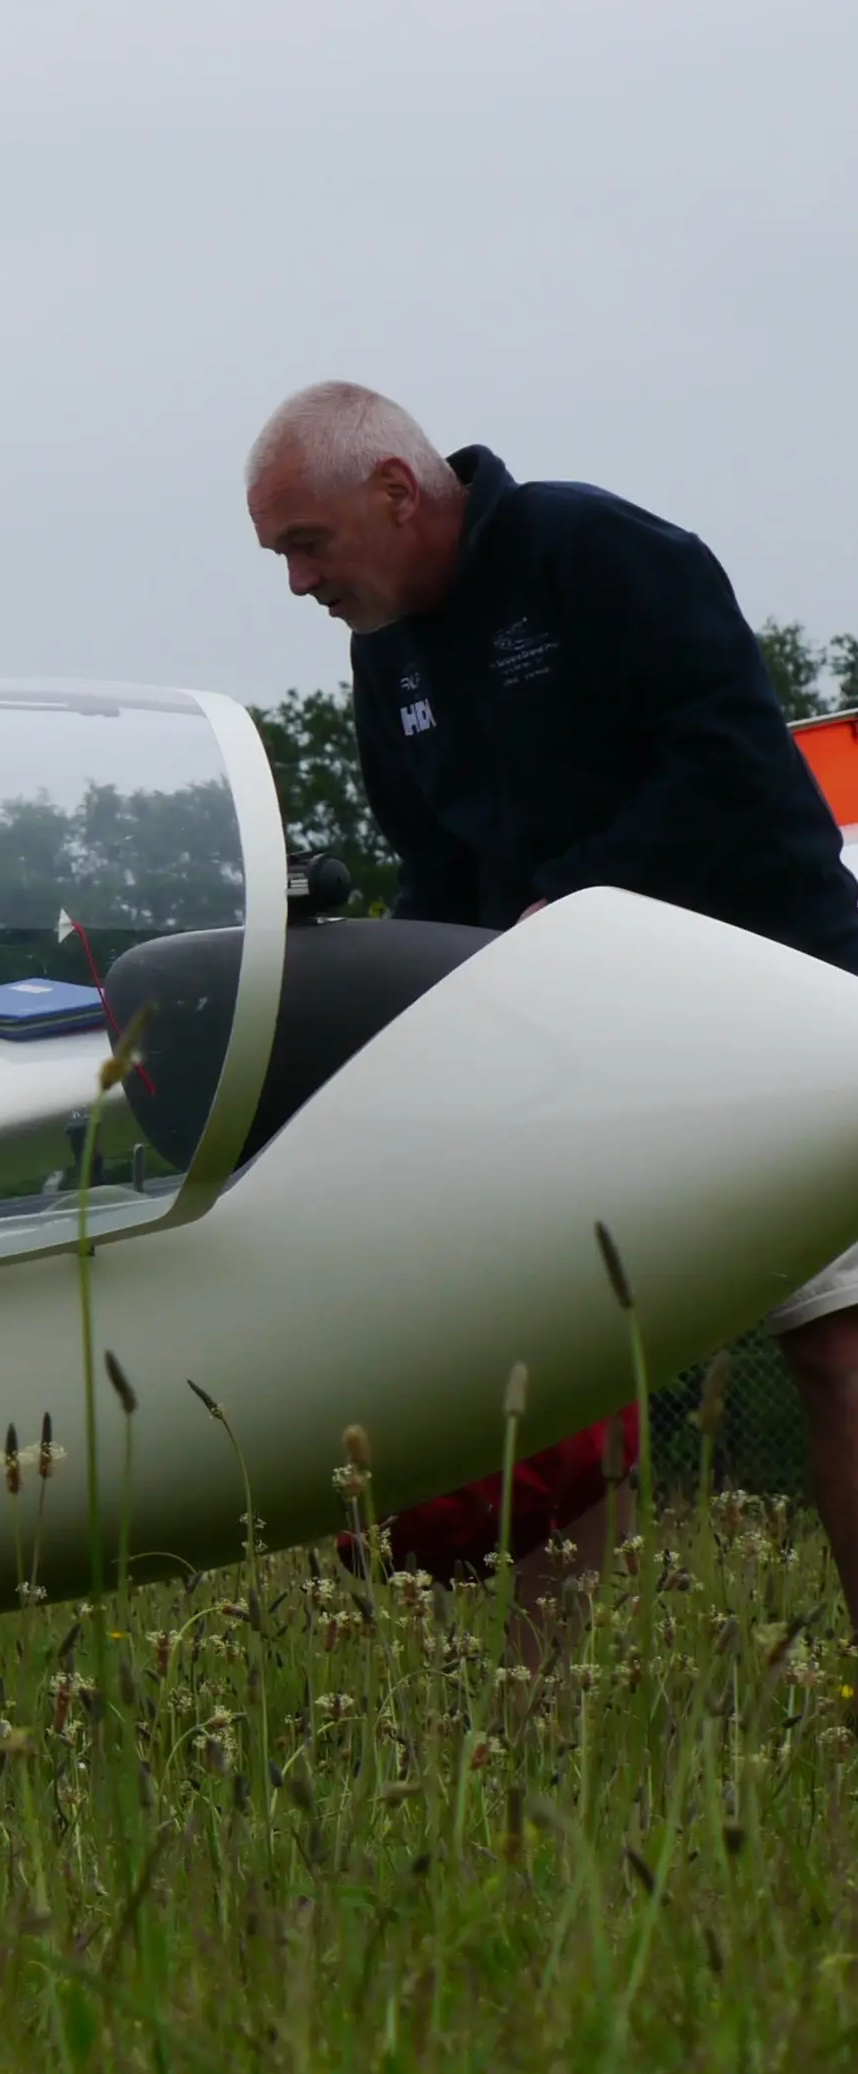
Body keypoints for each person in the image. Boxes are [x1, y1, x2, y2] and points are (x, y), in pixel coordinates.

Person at [245, 381, 858, 1603]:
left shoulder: (597, 552)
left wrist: (566, 908)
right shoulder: (386, 653)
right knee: (553, 1384)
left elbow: (732, 771)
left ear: (397, 490)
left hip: (769, 1015)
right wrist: (389, 1018)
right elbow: (436, 868)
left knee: (837, 1351)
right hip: (569, 1056)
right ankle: (556, 1702)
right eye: (281, 558)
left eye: (307, 545)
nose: (299, 584)